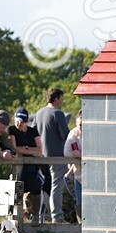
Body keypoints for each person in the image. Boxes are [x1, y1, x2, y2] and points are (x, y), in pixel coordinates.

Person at [33, 88, 70, 224]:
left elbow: (33, 132)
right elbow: (65, 135)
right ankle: (57, 216)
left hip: (42, 156)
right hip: (57, 156)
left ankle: (44, 216)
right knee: (56, 186)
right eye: (62, 98)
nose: (63, 101)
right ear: (56, 99)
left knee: (44, 187)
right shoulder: (58, 114)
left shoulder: (39, 113)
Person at [8, 108, 45, 223]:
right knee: (17, 189)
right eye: (17, 120)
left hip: (31, 166)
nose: (19, 123)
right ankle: (15, 216)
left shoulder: (33, 131)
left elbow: (40, 150)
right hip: (18, 166)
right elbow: (14, 147)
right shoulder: (12, 130)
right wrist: (31, 151)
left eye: (22, 121)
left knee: (35, 187)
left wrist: (25, 149)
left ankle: (35, 214)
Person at [64, 110, 83, 222]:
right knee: (79, 202)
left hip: (92, 175)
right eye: (80, 125)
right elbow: (67, 152)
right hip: (78, 174)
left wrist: (80, 155)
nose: (81, 127)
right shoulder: (73, 133)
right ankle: (80, 225)